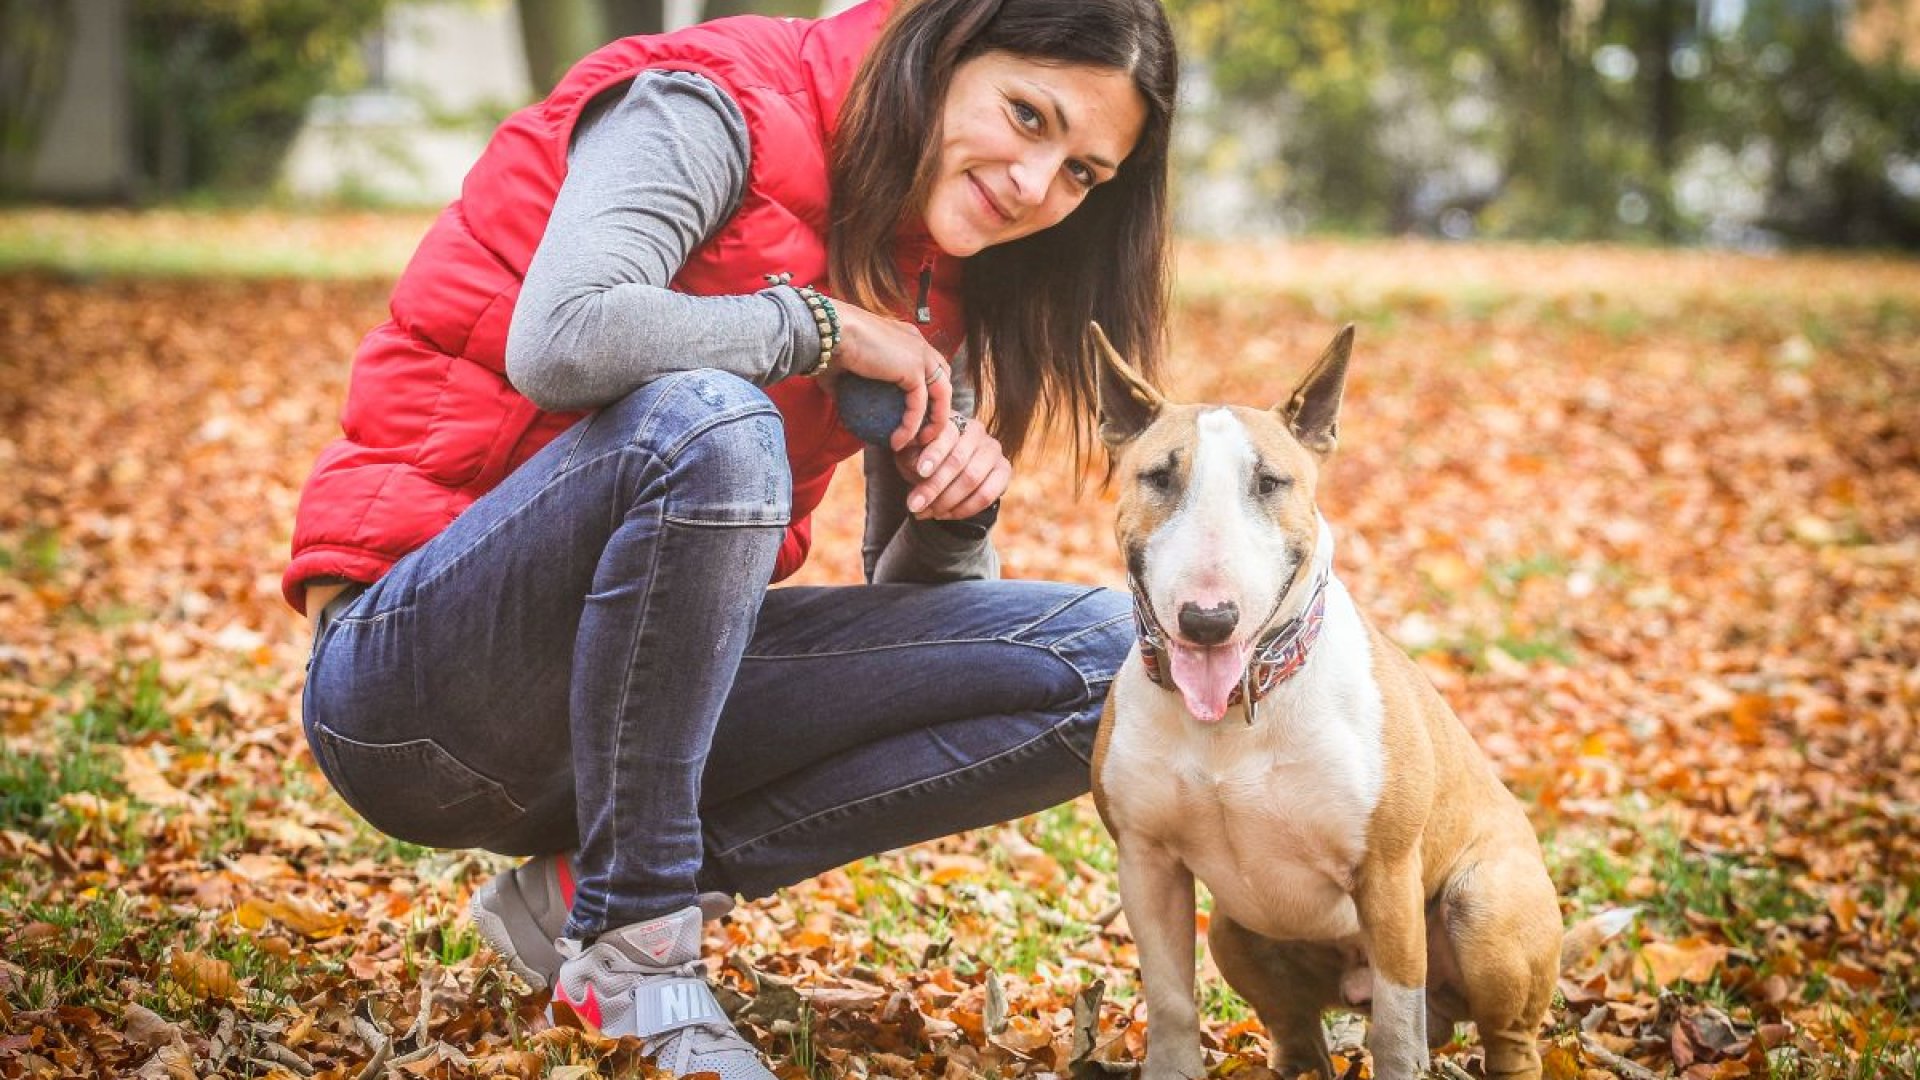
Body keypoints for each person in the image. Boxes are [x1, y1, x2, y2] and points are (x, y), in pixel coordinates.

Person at [290, 0, 1176, 1072]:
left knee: (1112, 662)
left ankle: (585, 894)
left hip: (640, 711)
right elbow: (561, 336)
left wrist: (955, 508)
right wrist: (820, 328)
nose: (1038, 185)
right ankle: (638, 951)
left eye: (1083, 172)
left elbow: (910, 621)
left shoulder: (947, 266)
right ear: (940, 48)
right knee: (710, 423)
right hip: (418, 689)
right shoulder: (711, 104)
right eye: (1028, 116)